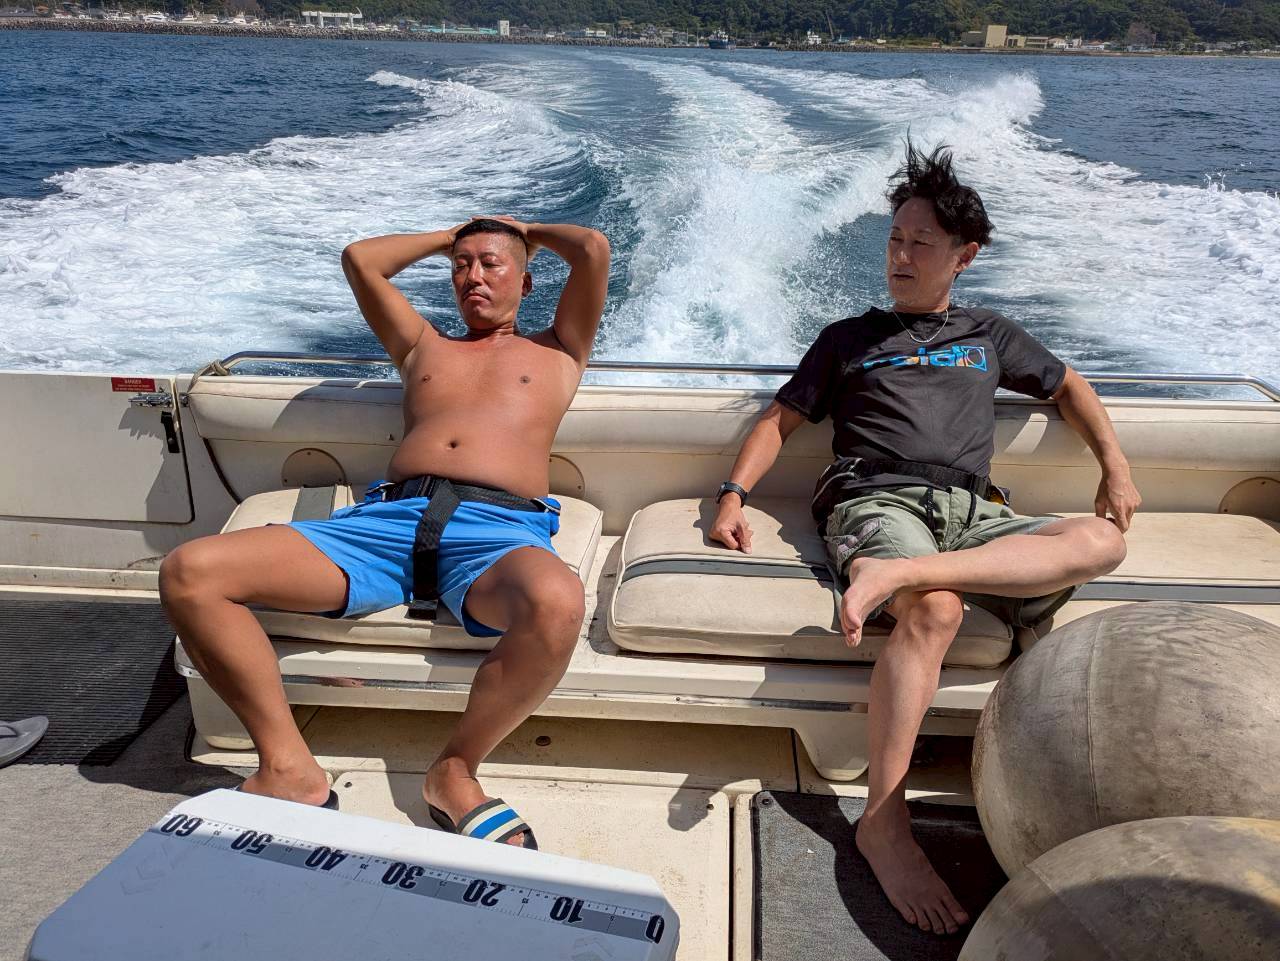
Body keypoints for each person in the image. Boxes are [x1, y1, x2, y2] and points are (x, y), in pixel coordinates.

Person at [710, 145, 1139, 934]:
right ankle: (883, 819)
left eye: (920, 244)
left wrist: (1115, 466)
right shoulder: (848, 338)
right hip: (877, 495)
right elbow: (780, 420)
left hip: (973, 511)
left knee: (1103, 540)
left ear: (962, 257)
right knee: (937, 609)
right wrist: (732, 495)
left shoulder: (990, 333)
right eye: (894, 239)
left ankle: (902, 573)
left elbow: (1069, 386)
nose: (900, 256)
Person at [161, 217, 610, 849]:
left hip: (497, 529)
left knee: (558, 602)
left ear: (527, 281)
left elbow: (592, 248)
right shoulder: (422, 345)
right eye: (460, 267)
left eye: (491, 264)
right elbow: (361, 259)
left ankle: (454, 771)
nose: (472, 277)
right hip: (385, 525)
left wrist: (518, 228)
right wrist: (454, 235)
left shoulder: (561, 348)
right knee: (189, 572)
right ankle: (289, 769)